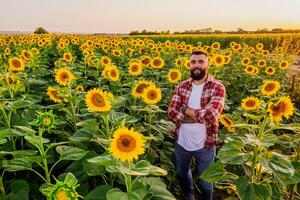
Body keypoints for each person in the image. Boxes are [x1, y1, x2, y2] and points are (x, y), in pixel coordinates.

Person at [167, 50, 226, 200]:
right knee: (182, 172)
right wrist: (199, 116)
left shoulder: (217, 87)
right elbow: (171, 112)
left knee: (206, 180)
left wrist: (185, 110)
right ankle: (188, 196)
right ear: (189, 64)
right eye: (193, 62)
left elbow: (212, 116)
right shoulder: (182, 86)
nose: (196, 65)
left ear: (208, 63)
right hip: (182, 141)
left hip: (205, 144)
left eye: (200, 61)